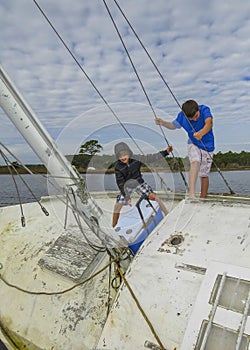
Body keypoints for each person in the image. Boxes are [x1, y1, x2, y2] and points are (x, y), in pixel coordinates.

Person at [155, 99, 214, 199]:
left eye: (196, 116)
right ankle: (192, 195)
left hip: (207, 146)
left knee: (203, 175)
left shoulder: (204, 110)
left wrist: (201, 133)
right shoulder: (182, 116)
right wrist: (163, 123)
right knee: (195, 162)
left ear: (198, 109)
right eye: (191, 119)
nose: (195, 120)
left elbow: (209, 124)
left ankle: (203, 199)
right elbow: (173, 126)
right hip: (193, 143)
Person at [112, 142, 172, 227]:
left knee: (154, 197)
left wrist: (166, 152)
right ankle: (114, 226)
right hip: (126, 186)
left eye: (124, 155)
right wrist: (127, 196)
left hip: (138, 183)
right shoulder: (117, 167)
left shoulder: (137, 159)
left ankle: (167, 215)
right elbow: (120, 183)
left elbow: (151, 158)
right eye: (120, 156)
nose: (123, 158)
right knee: (117, 206)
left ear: (129, 153)